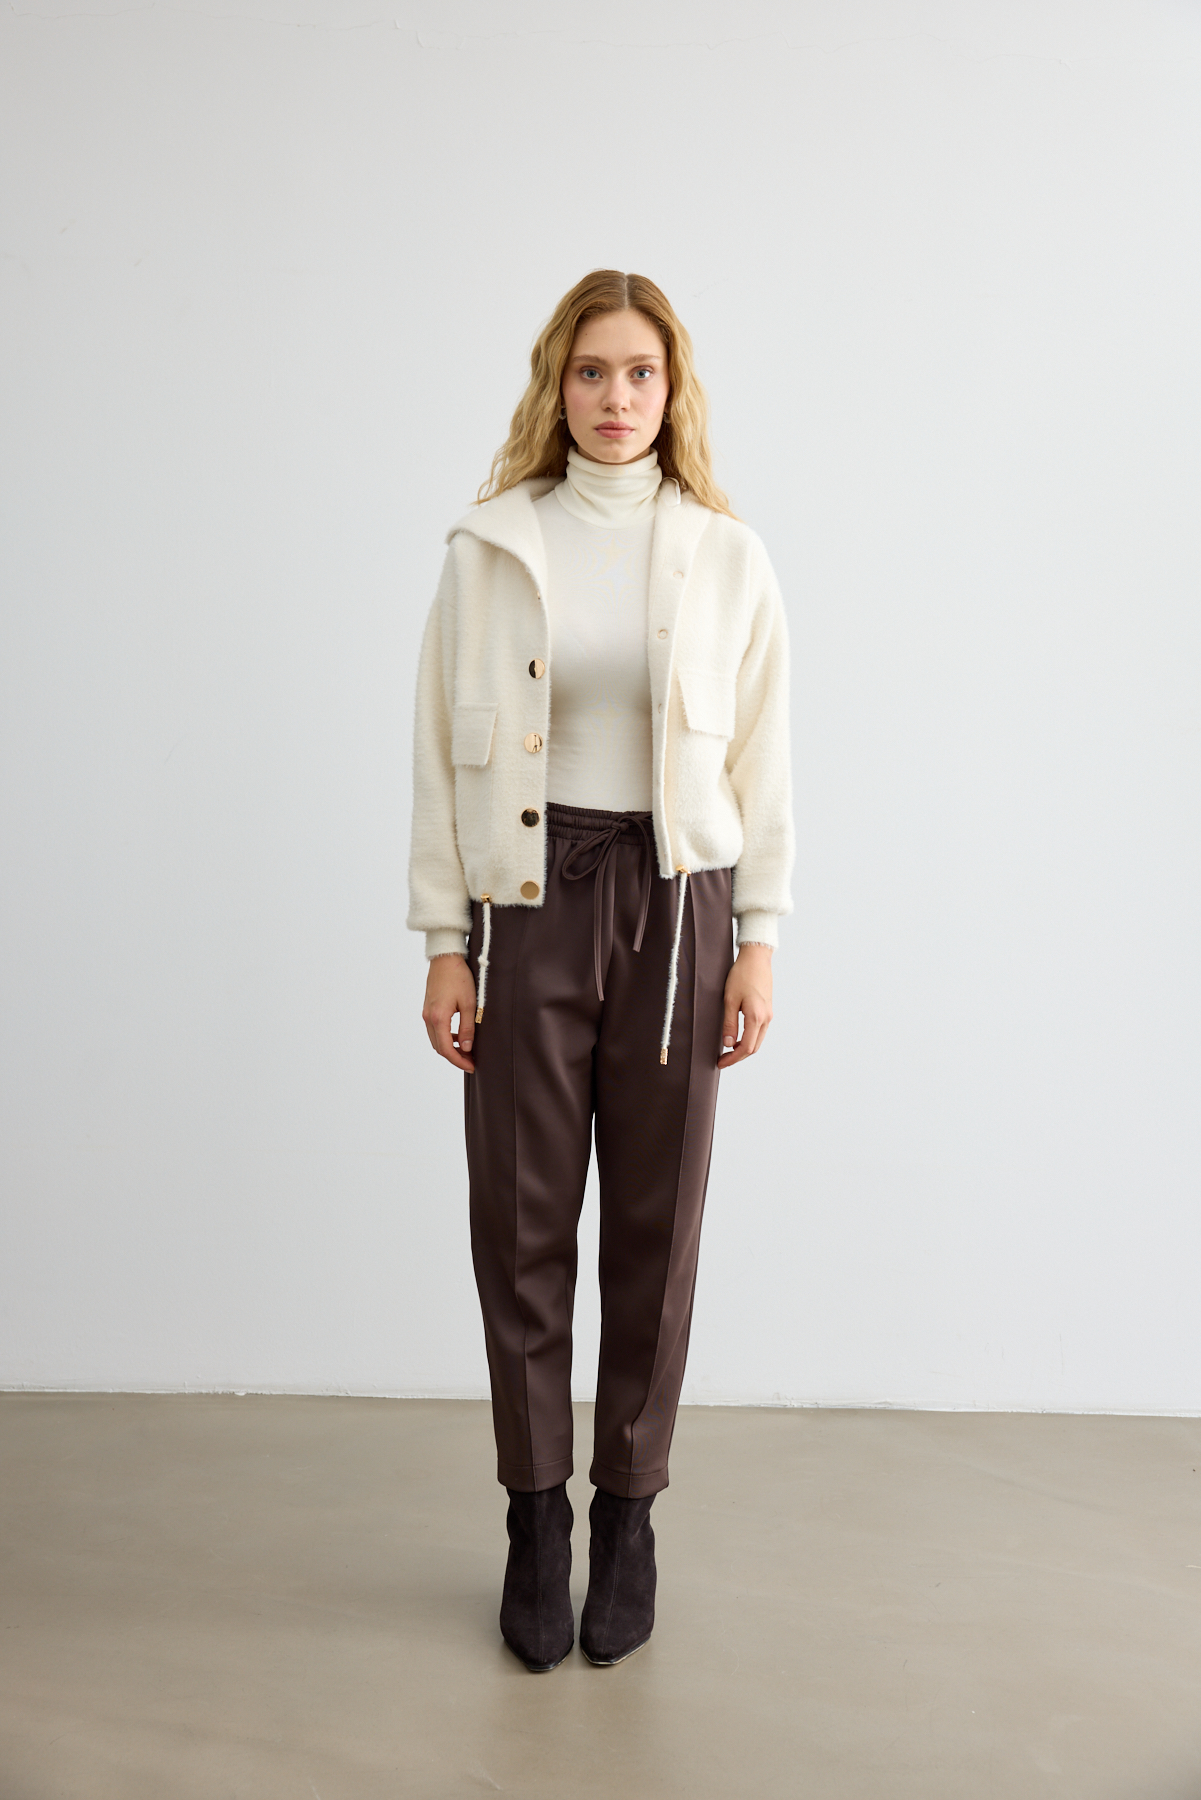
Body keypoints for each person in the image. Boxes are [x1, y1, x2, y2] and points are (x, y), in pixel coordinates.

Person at [407, 269, 794, 1671]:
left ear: (671, 389)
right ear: (553, 386)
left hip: (679, 906)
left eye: (639, 372)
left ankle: (626, 1514)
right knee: (518, 1220)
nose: (615, 397)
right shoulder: (490, 546)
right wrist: (446, 944)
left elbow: (764, 758)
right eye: (590, 372)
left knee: (653, 1224)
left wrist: (759, 936)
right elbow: (434, 756)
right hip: (528, 901)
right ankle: (534, 1519)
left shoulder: (726, 555)